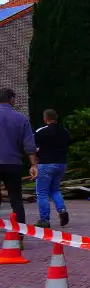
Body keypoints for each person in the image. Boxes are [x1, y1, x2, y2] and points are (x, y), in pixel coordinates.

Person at [0, 89, 37, 241]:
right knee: (16, 199)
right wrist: (33, 164)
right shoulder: (21, 119)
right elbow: (29, 144)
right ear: (11, 99)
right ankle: (19, 236)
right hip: (13, 164)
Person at [34, 109, 70, 228]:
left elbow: (32, 146)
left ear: (45, 119)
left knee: (42, 192)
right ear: (57, 118)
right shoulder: (64, 131)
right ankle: (62, 210)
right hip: (61, 164)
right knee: (55, 189)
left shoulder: (41, 131)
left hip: (46, 164)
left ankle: (44, 219)